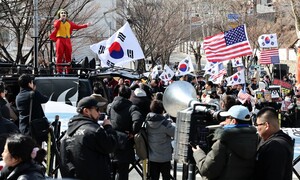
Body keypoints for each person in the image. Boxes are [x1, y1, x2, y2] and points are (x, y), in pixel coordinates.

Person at [60, 96, 118, 180]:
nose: (99, 113)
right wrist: (108, 127)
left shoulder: (67, 134)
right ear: (86, 111)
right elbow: (111, 145)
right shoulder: (94, 130)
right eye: (97, 110)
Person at [192, 105, 257, 180]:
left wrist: (197, 153)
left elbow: (207, 170)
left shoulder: (223, 142)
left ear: (233, 121)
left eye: (227, 118)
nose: (225, 121)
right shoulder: (254, 138)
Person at [107, 85, 143, 180]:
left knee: (111, 171)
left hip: (111, 140)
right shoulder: (132, 107)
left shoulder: (110, 106)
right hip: (125, 142)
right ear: (129, 96)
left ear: (118, 94)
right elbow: (138, 120)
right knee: (122, 172)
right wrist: (133, 132)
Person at [254, 107, 294, 180]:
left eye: (258, 125)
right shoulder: (281, 140)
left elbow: (273, 175)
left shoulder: (275, 146)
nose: (257, 128)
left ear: (266, 125)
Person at [49, 9, 91, 74]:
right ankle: (59, 71)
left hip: (67, 39)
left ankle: (68, 71)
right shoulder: (57, 21)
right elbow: (56, 26)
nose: (63, 14)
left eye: (64, 13)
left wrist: (86, 25)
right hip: (60, 39)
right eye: (62, 13)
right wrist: (60, 20)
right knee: (59, 55)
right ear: (59, 15)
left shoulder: (69, 23)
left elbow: (77, 27)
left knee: (68, 55)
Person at [15, 74, 49, 145]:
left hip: (23, 127)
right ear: (29, 83)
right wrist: (34, 90)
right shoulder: (32, 94)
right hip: (35, 128)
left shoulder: (18, 97)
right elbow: (45, 99)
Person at [146, 100, 175, 180]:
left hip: (152, 157)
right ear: (162, 111)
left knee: (153, 177)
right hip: (164, 158)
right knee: (166, 177)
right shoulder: (165, 124)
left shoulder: (147, 122)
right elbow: (175, 133)